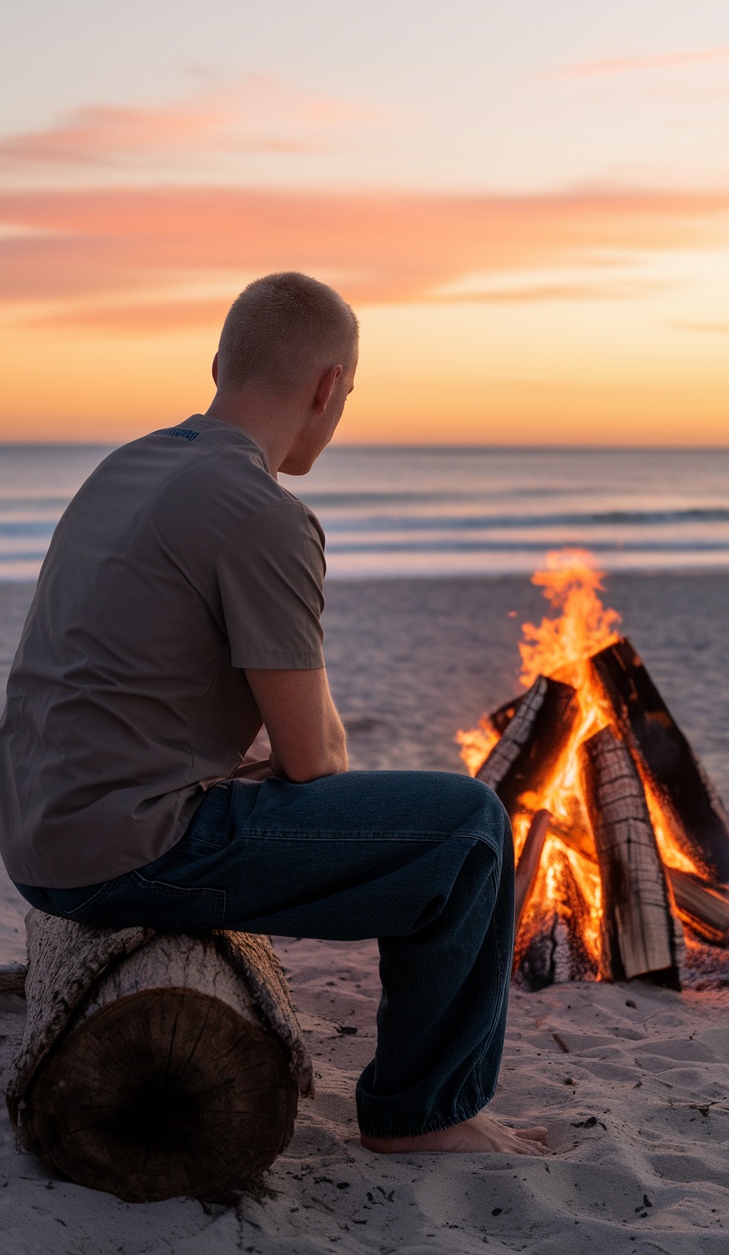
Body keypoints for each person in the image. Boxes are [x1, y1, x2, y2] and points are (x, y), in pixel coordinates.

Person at [0, 272, 549, 1157]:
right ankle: (428, 1115)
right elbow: (312, 760)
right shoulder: (263, 512)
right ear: (330, 387)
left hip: (35, 836)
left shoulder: (127, 464)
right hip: (121, 853)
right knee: (471, 827)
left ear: (219, 362)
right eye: (348, 396)